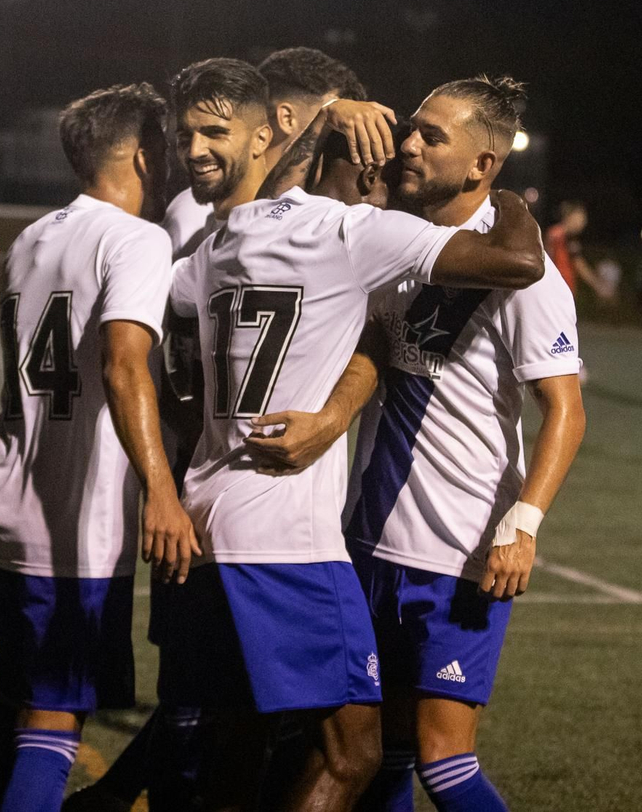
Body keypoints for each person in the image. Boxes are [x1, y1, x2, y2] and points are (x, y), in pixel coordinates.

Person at [163, 88, 545, 812]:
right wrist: (508, 197)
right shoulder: (354, 233)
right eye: (393, 149)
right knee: (354, 749)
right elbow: (519, 260)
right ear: (362, 172)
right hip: (286, 534)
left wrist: (337, 412)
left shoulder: (227, 237)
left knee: (236, 735)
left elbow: (180, 304)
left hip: (206, 511)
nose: (403, 158)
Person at [65, 55, 390, 812]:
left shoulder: (245, 218)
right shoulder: (205, 218)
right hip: (229, 506)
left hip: (211, 496)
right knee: (223, 724)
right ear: (283, 124)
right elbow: (142, 356)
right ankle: (113, 795)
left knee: (229, 721)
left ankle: (109, 795)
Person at [253, 77, 587, 812]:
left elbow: (565, 409)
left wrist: (522, 525)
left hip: (458, 554)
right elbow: (375, 342)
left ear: (482, 165)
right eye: (411, 128)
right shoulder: (401, 241)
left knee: (445, 761)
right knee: (374, 753)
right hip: (364, 543)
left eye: (432, 136)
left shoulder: (524, 277)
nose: (408, 143)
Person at [0, 84, 202, 812]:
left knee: (18, 697)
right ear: (140, 153)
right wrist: (161, 489)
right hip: (75, 515)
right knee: (57, 714)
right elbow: (123, 363)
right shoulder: (137, 239)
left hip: (9, 500)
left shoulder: (34, 237)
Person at [159, 46, 368, 259]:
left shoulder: (329, 215)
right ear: (285, 118)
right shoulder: (192, 213)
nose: (334, 131)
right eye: (329, 120)